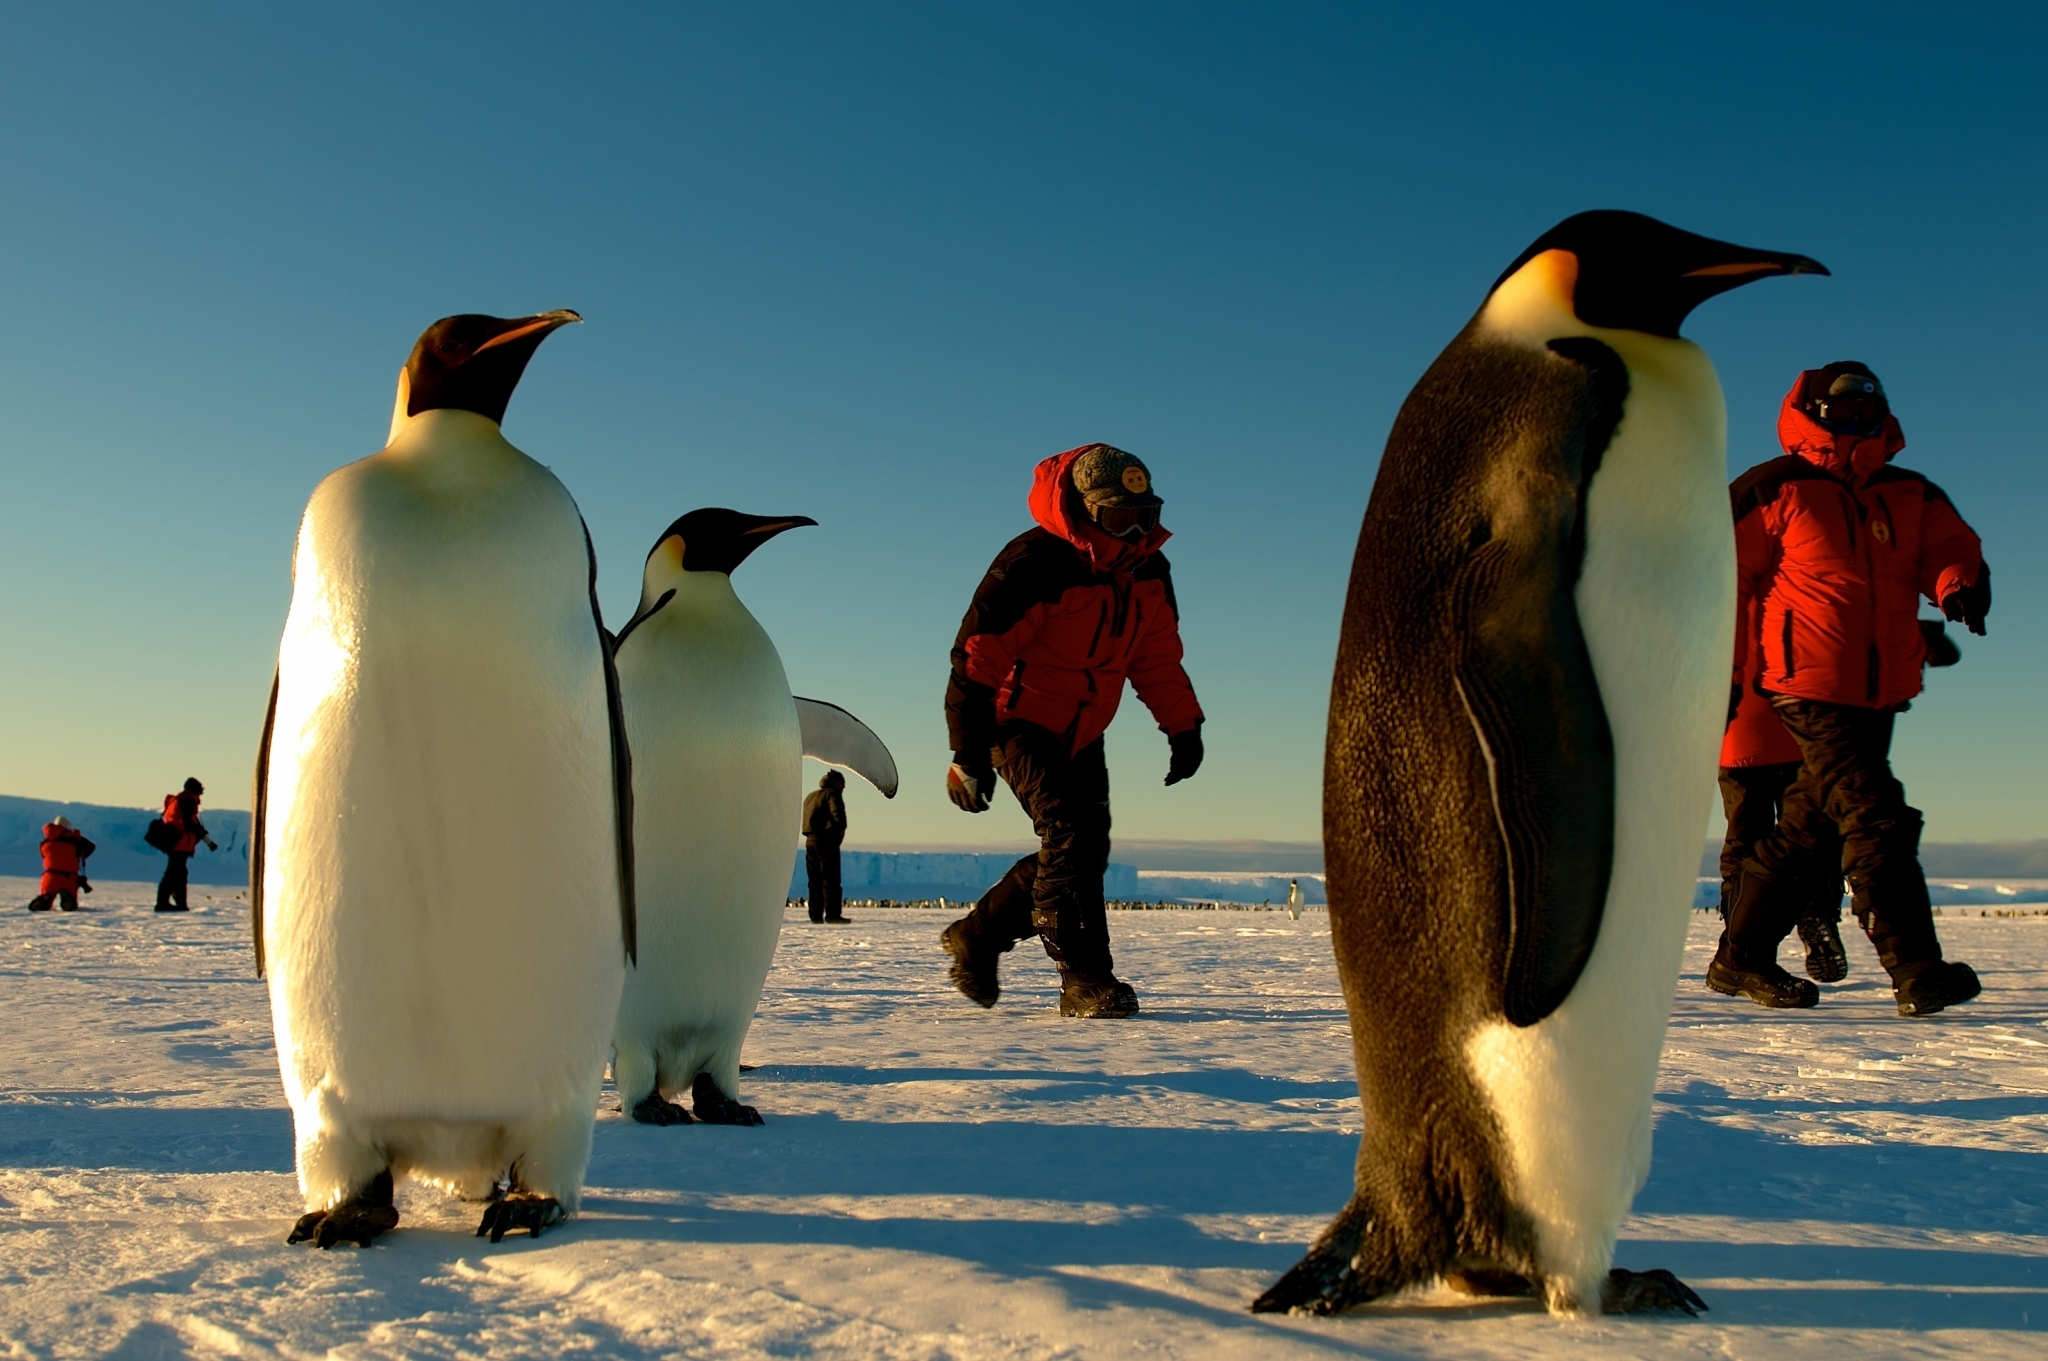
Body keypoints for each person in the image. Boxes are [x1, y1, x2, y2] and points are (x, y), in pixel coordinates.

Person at [1712, 363, 1989, 1017]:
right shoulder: (1773, 488)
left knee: (1808, 828)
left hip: (1879, 691)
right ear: (1813, 411)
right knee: (1875, 815)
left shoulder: (1909, 492)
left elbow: (1947, 544)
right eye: (1845, 406)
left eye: (1871, 407)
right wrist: (1721, 679)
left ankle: (1741, 956)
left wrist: (1957, 582)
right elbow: (1719, 580)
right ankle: (1915, 968)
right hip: (1804, 683)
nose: (1860, 417)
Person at [939, 443, 1205, 1019]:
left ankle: (978, 936)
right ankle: (1084, 978)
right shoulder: (1033, 562)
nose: (1135, 533)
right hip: (1015, 720)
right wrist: (968, 752)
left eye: (1145, 517)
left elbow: (1156, 658)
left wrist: (1183, 727)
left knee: (1084, 849)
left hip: (1083, 729)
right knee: (1071, 836)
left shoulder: (1148, 570)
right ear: (1081, 510)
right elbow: (977, 658)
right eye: (1119, 517)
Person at [156, 777, 217, 913]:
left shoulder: (179, 800)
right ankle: (163, 903)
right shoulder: (187, 801)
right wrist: (204, 837)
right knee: (174, 873)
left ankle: (180, 904)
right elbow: (189, 822)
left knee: (179, 873)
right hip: (179, 843)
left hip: (176, 842)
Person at [801, 769, 849, 923]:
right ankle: (832, 914)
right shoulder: (831, 795)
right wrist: (839, 832)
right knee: (830, 879)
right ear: (836, 783)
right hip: (826, 842)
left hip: (810, 842)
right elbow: (838, 816)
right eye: (842, 784)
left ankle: (815, 916)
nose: (843, 788)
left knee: (814, 881)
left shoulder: (810, 796)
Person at [28, 816, 95, 913]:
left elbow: (43, 855)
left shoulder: (44, 843)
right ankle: (67, 899)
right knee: (71, 901)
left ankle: (45, 899)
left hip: (50, 876)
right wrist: (76, 836)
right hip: (69, 877)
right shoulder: (74, 840)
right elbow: (90, 847)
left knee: (47, 894)